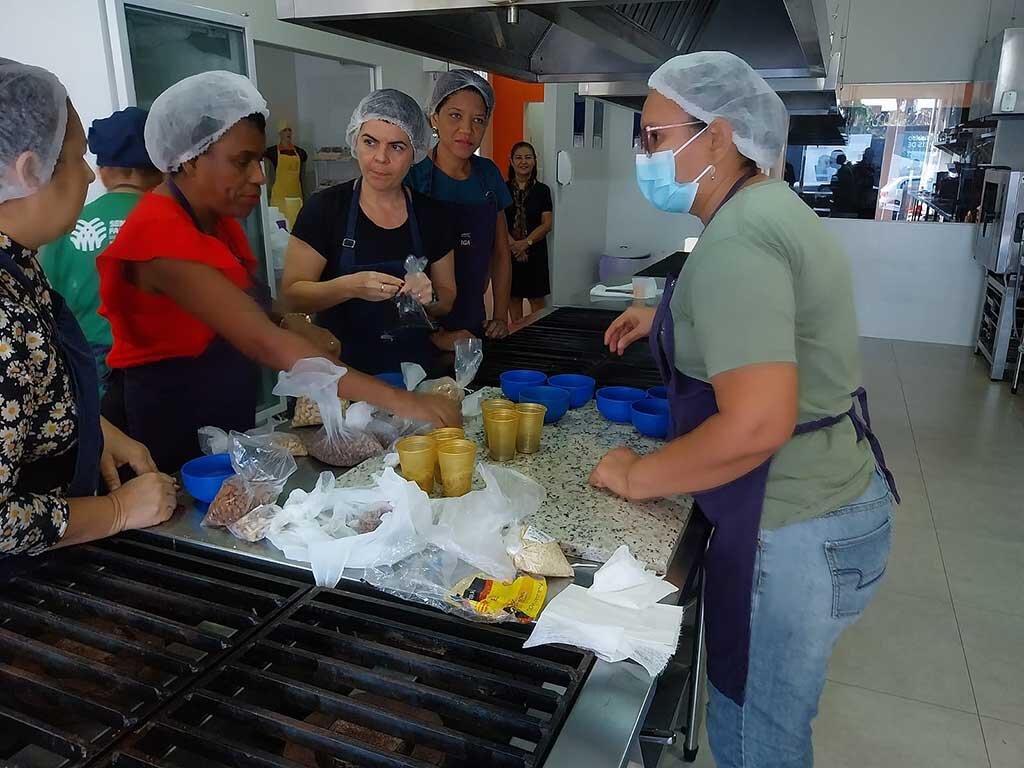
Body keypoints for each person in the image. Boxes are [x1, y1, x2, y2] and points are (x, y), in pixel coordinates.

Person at [591, 51, 899, 767]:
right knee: (751, 724)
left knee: (758, 744)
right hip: (834, 500)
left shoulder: (740, 237)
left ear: (719, 136)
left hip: (795, 527)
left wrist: (638, 476)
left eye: (655, 138)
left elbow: (757, 422)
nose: (646, 156)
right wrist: (664, 314)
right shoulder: (761, 206)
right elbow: (756, 313)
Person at [98, 71, 460, 472]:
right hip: (164, 429)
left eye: (258, 159)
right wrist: (405, 402)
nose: (259, 175)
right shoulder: (158, 236)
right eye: (243, 162)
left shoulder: (216, 223)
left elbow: (249, 304)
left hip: (221, 412)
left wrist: (291, 320)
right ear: (189, 159)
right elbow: (263, 342)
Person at [0, 59, 177, 555]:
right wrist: (119, 511)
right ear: (29, 171)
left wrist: (90, 427)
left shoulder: (20, 262)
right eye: (77, 159)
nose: (85, 176)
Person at [281, 89, 457, 375]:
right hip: (341, 377)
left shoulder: (432, 215)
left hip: (414, 376)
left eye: (397, 147)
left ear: (416, 152)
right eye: (370, 142)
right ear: (355, 140)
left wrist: (431, 296)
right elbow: (291, 295)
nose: (380, 158)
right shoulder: (325, 208)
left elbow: (447, 299)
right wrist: (350, 286)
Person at [40, 107, 163, 394]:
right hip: (156, 361)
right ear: (159, 171)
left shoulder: (68, 225)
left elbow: (50, 300)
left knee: (103, 434)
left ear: (105, 171)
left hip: (90, 359)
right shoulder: (170, 222)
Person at [406, 70, 512, 348]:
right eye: (455, 115)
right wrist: (435, 336)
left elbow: (501, 252)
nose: (467, 130)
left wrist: (500, 315)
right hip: (421, 326)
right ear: (434, 117)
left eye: (478, 120)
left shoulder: (488, 174)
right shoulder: (414, 178)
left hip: (474, 318)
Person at [506, 141, 552, 323]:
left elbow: (546, 224)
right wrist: (513, 246)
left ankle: (537, 338)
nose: (523, 162)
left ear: (534, 161)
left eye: (527, 157)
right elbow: (498, 223)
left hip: (536, 253)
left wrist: (525, 243)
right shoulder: (502, 189)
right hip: (509, 254)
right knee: (512, 298)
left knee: (537, 303)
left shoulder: (543, 190)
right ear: (511, 161)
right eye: (518, 158)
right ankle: (516, 336)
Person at [264, 119, 307, 227]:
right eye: (284, 130)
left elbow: (303, 177)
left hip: (296, 195)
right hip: (279, 196)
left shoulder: (300, 152)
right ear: (280, 133)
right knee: (280, 227)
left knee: (296, 226)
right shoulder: (272, 152)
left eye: (289, 130)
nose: (288, 132)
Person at [830, 152, 857, 216]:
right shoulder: (843, 169)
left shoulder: (844, 170)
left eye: (838, 158)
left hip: (843, 198)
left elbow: (842, 184)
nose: (837, 160)